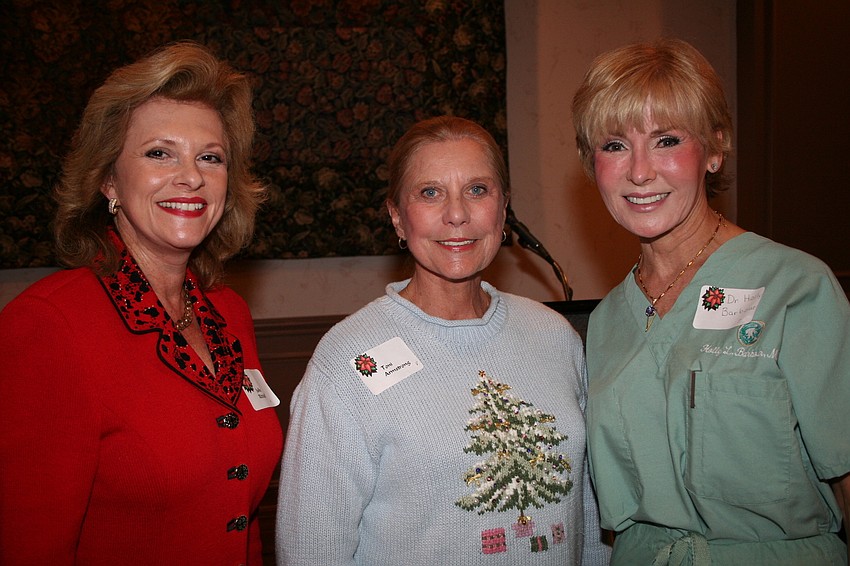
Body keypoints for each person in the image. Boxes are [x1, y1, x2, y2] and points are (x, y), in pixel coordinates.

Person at [275, 116, 610, 565]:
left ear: (504, 209)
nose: (457, 214)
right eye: (430, 193)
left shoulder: (554, 337)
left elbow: (587, 517)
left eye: (477, 190)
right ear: (396, 215)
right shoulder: (348, 361)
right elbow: (310, 551)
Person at [0, 42, 283, 565]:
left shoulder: (229, 312)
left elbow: (240, 517)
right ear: (108, 178)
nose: (191, 177)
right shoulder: (47, 327)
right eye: (159, 153)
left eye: (210, 157)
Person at [571, 38, 850, 565]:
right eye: (614, 146)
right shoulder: (608, 320)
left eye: (666, 140)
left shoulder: (795, 288)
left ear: (715, 148)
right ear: (593, 165)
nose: (639, 171)